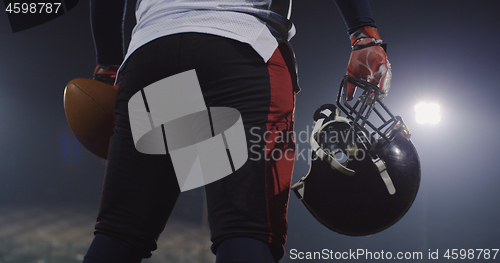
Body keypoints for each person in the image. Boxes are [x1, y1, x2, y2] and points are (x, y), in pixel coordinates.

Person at [84, 0, 391, 262]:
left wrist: (108, 67)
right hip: (241, 48)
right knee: (245, 228)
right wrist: (364, 34)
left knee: (121, 232)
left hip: (153, 53)